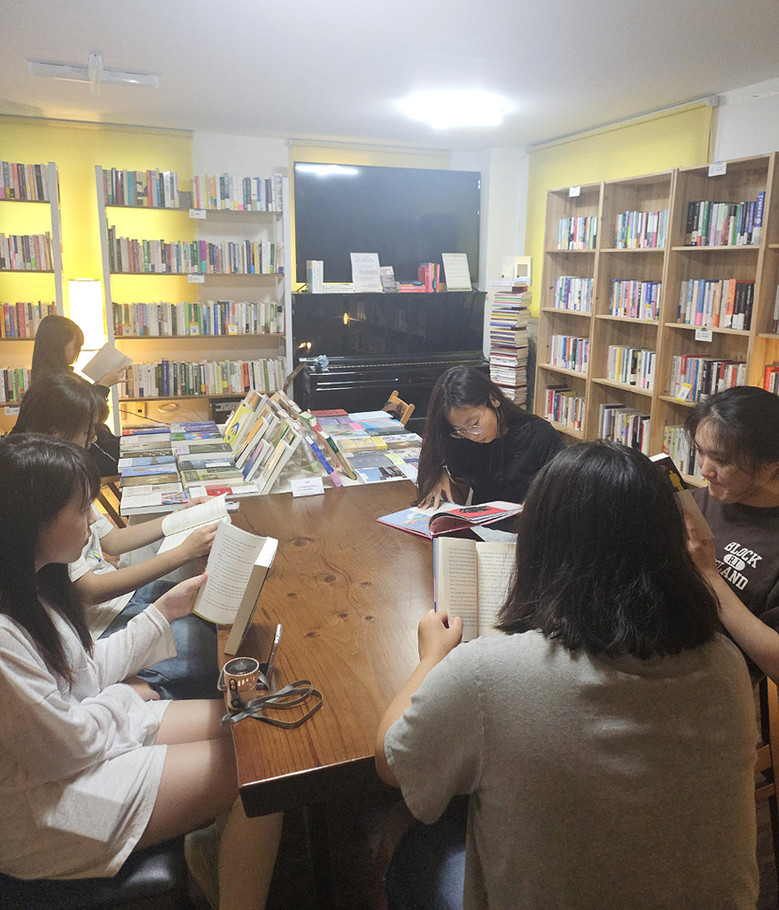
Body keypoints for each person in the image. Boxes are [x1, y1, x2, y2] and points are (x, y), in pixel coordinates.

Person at [376, 441, 758, 909]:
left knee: (409, 842)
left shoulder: (487, 674)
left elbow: (392, 763)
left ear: (540, 545)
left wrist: (430, 657)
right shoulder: (725, 661)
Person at [0, 435, 281, 908]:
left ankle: (219, 850)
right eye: (81, 509)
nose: (93, 520)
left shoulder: (34, 587)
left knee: (257, 725)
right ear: (35, 522)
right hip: (50, 806)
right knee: (264, 772)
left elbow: (85, 671)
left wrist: (164, 610)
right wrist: (127, 696)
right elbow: (69, 749)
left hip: (79, 746)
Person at [12, 370, 219, 700]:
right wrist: (183, 553)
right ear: (56, 433)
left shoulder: (66, 472)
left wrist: (180, 518)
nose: (94, 440)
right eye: (87, 432)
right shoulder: (44, 493)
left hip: (113, 614)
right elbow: (90, 590)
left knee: (212, 618)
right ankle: (145, 687)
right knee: (208, 650)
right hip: (100, 629)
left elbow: (112, 540)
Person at [684, 385, 779, 681]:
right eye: (700, 451)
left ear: (771, 466)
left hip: (713, 684)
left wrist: (709, 575)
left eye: (721, 460)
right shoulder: (699, 501)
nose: (704, 470)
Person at [416, 366, 562, 509]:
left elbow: (560, 494)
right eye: (460, 430)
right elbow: (459, 500)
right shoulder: (462, 440)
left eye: (474, 424)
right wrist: (441, 477)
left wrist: (533, 507)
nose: (471, 435)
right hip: (482, 522)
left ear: (493, 399)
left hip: (527, 523)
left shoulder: (539, 435)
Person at [31, 313, 124, 475]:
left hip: (87, 445)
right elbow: (88, 417)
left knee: (130, 446)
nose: (77, 351)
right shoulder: (55, 382)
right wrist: (103, 386)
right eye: (76, 345)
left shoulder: (51, 376)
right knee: (131, 455)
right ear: (59, 344)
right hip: (80, 454)